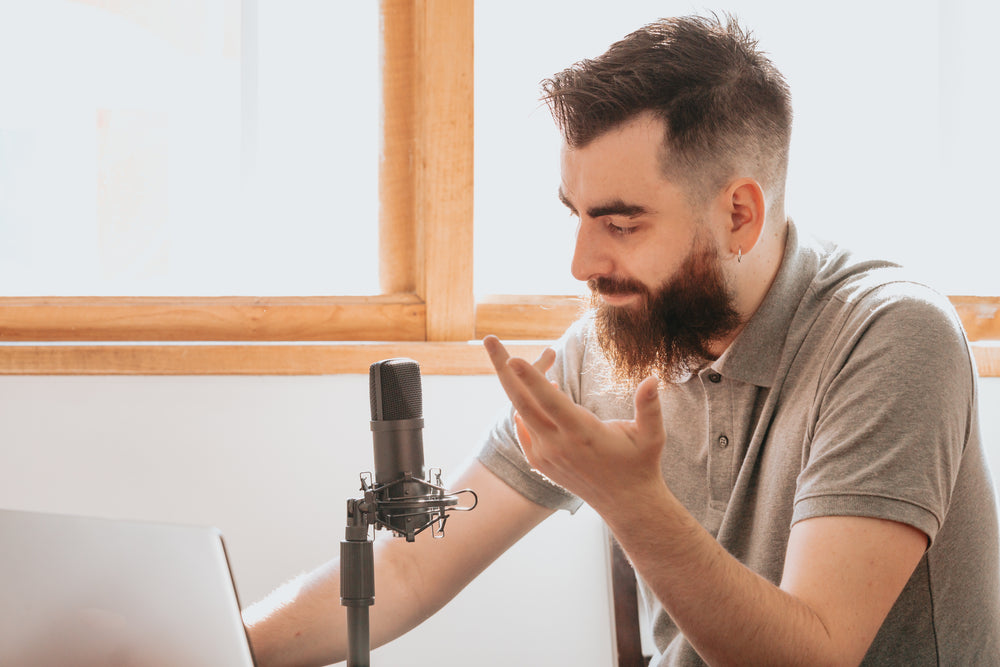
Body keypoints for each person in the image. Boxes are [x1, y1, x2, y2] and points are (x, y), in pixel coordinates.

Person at [243, 14, 999, 666]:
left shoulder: (893, 337)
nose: (581, 265)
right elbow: (407, 573)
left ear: (739, 213)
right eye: (574, 214)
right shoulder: (610, 344)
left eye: (621, 222)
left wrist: (629, 499)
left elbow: (816, 654)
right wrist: (203, 645)